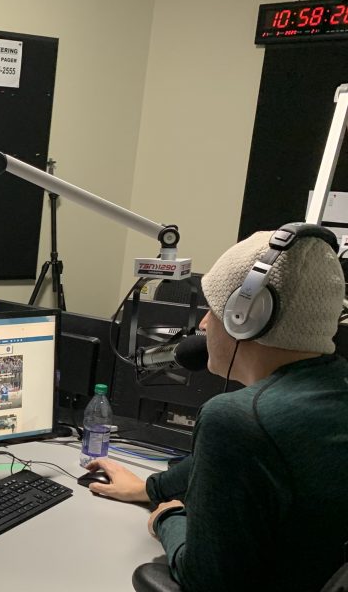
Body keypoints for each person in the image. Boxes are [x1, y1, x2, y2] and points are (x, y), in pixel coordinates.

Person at [83, 228, 348, 591]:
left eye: (215, 309)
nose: (204, 323)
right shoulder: (332, 391)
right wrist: (151, 487)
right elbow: (227, 461)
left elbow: (204, 579)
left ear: (245, 317)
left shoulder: (239, 419)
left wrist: (168, 516)